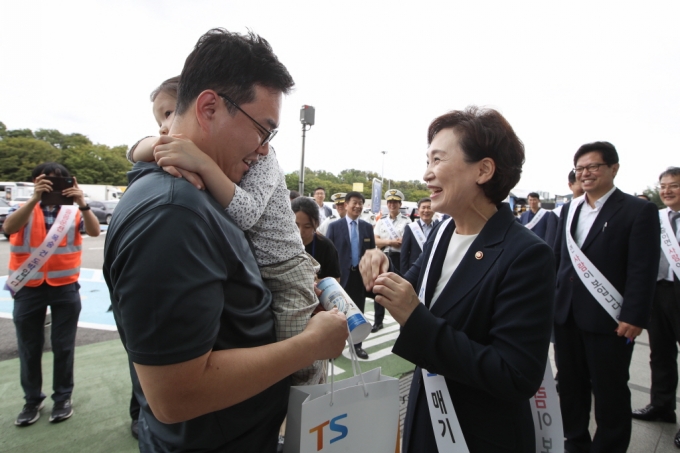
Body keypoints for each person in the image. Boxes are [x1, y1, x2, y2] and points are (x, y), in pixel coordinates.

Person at [103, 28, 348, 452]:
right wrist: (310, 344)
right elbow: (176, 395)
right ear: (210, 107)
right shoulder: (172, 212)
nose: (263, 149)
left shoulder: (195, 190)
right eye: (263, 130)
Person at [360, 107, 555, 452]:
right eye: (427, 160)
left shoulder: (526, 254)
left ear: (483, 170)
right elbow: (410, 292)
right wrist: (380, 270)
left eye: (437, 160)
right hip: (425, 419)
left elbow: (516, 375)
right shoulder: (442, 233)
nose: (426, 174)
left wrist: (416, 318)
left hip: (479, 434)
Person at [130, 76, 325, 386]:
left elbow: (246, 213)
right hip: (257, 271)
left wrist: (203, 163)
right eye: (160, 120)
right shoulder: (182, 167)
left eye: (170, 113)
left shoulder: (262, 158)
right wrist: (159, 146)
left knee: (299, 367)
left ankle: (306, 421)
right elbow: (133, 150)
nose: (165, 128)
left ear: (202, 109)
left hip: (284, 269)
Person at [553, 141, 660, 453]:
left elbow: (642, 267)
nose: (586, 173)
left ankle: (609, 446)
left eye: (593, 167)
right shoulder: (569, 209)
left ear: (613, 168)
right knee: (570, 386)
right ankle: (575, 440)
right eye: (580, 168)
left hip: (610, 318)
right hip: (567, 315)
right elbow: (561, 259)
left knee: (610, 389)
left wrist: (634, 315)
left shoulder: (638, 210)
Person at [5, 162, 101, 426]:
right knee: (29, 347)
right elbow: (8, 228)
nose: (51, 185)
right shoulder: (25, 208)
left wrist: (82, 202)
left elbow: (94, 231)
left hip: (65, 286)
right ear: (35, 181)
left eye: (59, 181)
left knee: (63, 346)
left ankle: (62, 398)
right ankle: (32, 400)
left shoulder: (72, 212)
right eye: (45, 180)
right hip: (28, 288)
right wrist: (34, 199)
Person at [631, 167, 680, 448]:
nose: (667, 191)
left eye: (673, 185)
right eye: (663, 186)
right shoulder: (656, 218)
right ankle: (661, 405)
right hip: (659, 292)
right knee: (660, 353)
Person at [326, 191, 376, 359]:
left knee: (358, 310)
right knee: (337, 312)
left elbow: (371, 253)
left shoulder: (367, 227)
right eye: (354, 202)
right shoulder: (334, 226)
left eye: (361, 203)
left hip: (359, 276)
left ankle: (357, 346)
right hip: (340, 277)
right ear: (346, 205)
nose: (358, 206)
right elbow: (329, 253)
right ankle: (334, 348)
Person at [372, 189, 411, 332]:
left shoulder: (407, 221)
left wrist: (385, 241)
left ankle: (403, 324)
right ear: (387, 205)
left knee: (400, 290)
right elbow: (376, 241)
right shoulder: (381, 221)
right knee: (380, 289)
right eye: (390, 202)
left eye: (395, 202)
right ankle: (378, 321)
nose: (392, 205)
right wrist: (390, 242)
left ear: (400, 204)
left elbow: (404, 242)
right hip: (383, 257)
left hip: (399, 258)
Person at [291, 196, 341, 281]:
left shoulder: (326, 247)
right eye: (296, 225)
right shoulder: (281, 243)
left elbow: (335, 280)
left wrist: (316, 281)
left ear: (316, 224)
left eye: (307, 226)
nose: (300, 231)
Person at [400, 197, 440, 275]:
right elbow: (404, 254)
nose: (426, 211)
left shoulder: (439, 227)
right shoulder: (410, 227)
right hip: (414, 270)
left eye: (429, 207)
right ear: (418, 210)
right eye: (423, 207)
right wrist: (404, 274)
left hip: (433, 269)